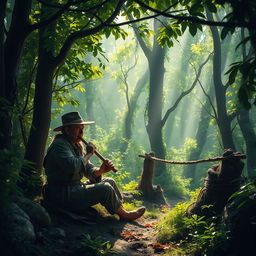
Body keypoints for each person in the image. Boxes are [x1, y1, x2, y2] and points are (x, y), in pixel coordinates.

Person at [42, 111, 145, 221]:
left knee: (110, 181)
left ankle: (121, 210)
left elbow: (87, 169)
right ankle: (125, 215)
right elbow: (73, 167)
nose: (81, 132)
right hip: (62, 194)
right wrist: (88, 154)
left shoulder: (75, 145)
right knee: (105, 188)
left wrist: (101, 170)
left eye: (82, 128)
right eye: (78, 128)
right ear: (67, 129)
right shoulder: (59, 145)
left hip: (74, 188)